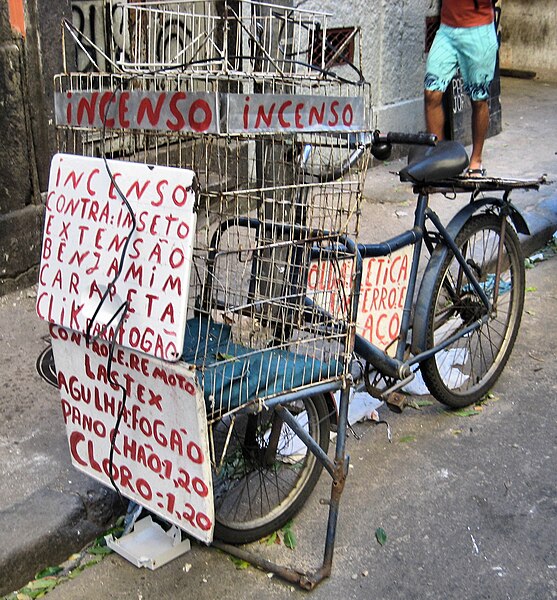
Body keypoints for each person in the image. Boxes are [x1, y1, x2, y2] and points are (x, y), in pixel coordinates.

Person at [424, 0, 498, 176]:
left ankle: (476, 161)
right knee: (431, 93)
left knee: (479, 99)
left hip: (479, 30)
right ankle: (439, 159)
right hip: (447, 30)